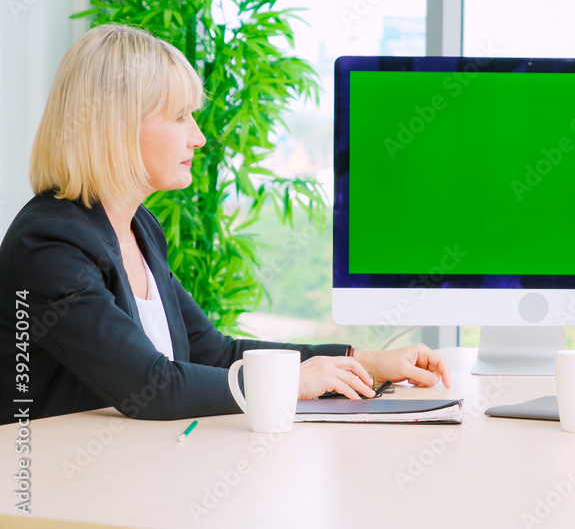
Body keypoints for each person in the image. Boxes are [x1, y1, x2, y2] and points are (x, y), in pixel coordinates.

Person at [0, 24, 450, 425]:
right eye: (180, 117)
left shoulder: (139, 227)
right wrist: (292, 381)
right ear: (117, 126)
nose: (197, 136)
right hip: (50, 497)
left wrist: (361, 361)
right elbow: (153, 386)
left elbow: (213, 352)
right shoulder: (49, 245)